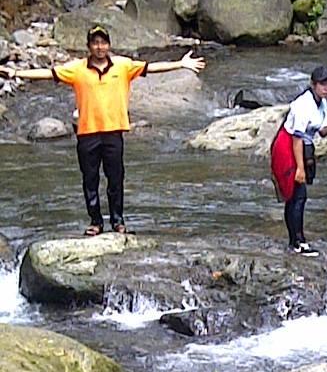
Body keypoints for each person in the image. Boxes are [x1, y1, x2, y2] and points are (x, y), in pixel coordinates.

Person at [0, 24, 206, 235]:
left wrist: (181, 64)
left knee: (115, 178)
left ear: (108, 45)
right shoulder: (77, 69)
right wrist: (16, 72)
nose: (100, 47)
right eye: (95, 43)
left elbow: (150, 67)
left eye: (103, 43)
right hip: (87, 133)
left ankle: (118, 221)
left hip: (113, 132)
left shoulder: (123, 66)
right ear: (89, 46)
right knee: (90, 179)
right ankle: (96, 222)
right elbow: (47, 73)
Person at [270, 64, 327, 256]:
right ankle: (297, 243)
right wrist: (299, 168)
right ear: (313, 84)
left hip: (302, 146)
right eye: (322, 84)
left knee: (296, 197)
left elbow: (321, 132)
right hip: (287, 146)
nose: (326, 88)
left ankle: (295, 241)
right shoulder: (303, 104)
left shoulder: (321, 102)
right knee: (297, 196)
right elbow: (296, 138)